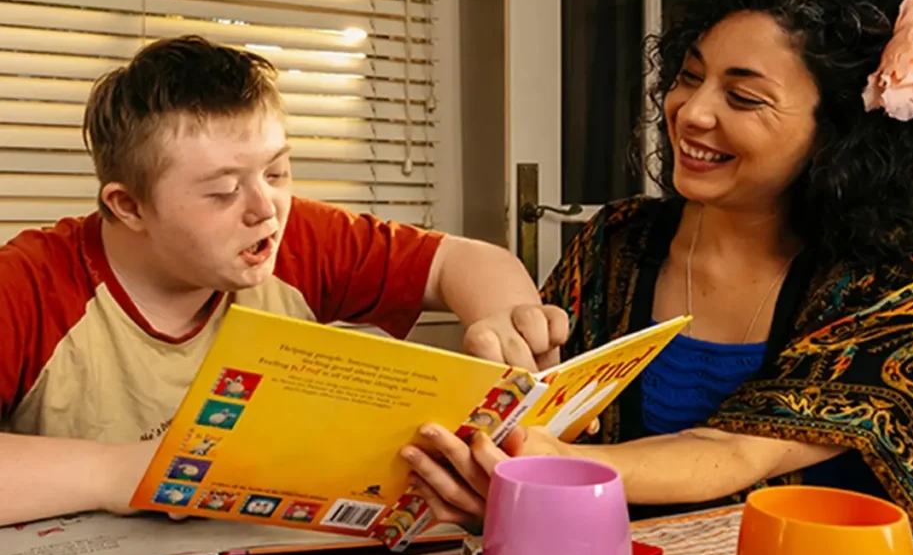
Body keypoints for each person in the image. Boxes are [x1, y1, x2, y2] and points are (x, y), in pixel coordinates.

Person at [405, 0, 913, 555]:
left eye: (743, 97)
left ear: (840, 132)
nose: (691, 112)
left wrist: (547, 468)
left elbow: (739, 448)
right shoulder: (618, 241)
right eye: (690, 76)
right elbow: (551, 418)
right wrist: (498, 455)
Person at [0, 36, 566, 526]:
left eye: (277, 172)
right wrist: (135, 472)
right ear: (128, 206)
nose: (265, 210)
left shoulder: (290, 238)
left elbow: (467, 262)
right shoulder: (29, 283)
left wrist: (502, 317)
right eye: (222, 191)